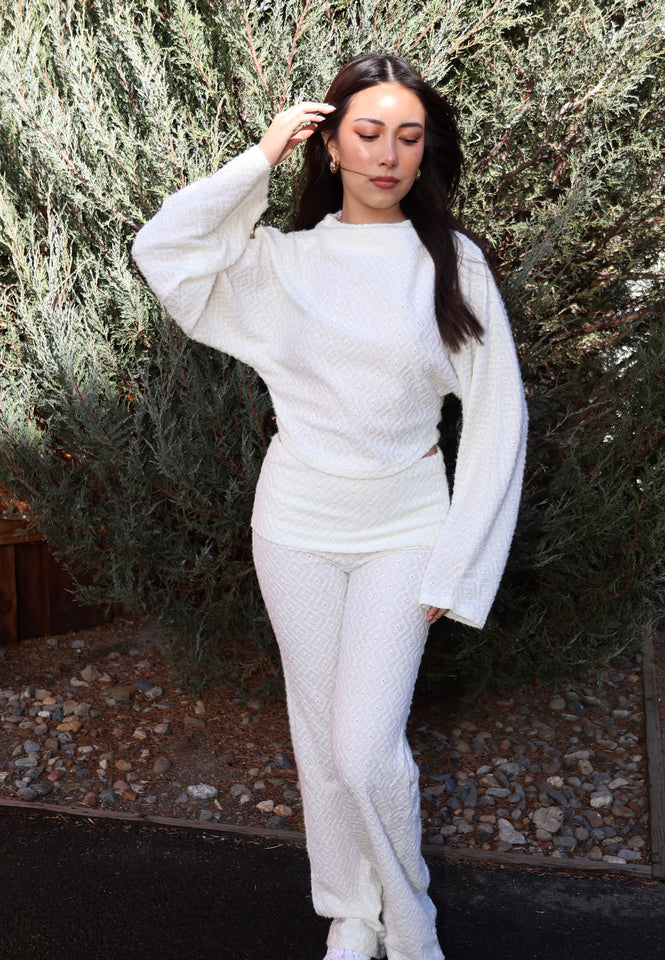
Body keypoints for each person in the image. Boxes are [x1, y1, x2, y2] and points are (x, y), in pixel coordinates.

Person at [133, 52, 527, 960]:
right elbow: (165, 250)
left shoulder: (452, 262)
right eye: (368, 132)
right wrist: (260, 157)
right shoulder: (280, 263)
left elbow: (500, 416)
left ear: (425, 155)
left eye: (409, 137)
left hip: (406, 527)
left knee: (364, 746)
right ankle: (350, 910)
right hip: (296, 528)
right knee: (318, 734)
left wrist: (459, 564)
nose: (389, 153)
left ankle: (410, 912)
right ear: (332, 144)